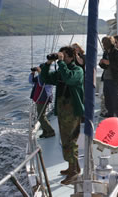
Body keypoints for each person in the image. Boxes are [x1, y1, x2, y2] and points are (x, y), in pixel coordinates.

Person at [40, 46, 84, 185]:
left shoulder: (78, 70)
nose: (62, 59)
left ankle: (74, 172)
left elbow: (69, 79)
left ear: (71, 57)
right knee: (65, 141)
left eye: (64, 56)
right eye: (61, 56)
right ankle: (74, 167)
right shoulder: (62, 70)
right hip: (63, 111)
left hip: (72, 112)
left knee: (70, 141)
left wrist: (60, 63)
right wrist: (48, 64)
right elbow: (45, 78)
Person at [99, 36, 118, 120]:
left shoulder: (117, 52)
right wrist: (102, 63)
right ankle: (110, 114)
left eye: (105, 43)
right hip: (107, 78)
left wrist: (109, 63)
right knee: (107, 98)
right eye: (103, 43)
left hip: (114, 79)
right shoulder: (106, 53)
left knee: (116, 100)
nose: (104, 45)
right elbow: (105, 66)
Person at [29, 65, 55, 138]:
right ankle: (45, 131)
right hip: (38, 98)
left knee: (41, 116)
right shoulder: (39, 77)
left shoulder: (48, 78)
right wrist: (32, 73)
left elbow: (41, 83)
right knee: (40, 115)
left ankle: (51, 131)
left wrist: (40, 73)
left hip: (44, 99)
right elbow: (31, 81)